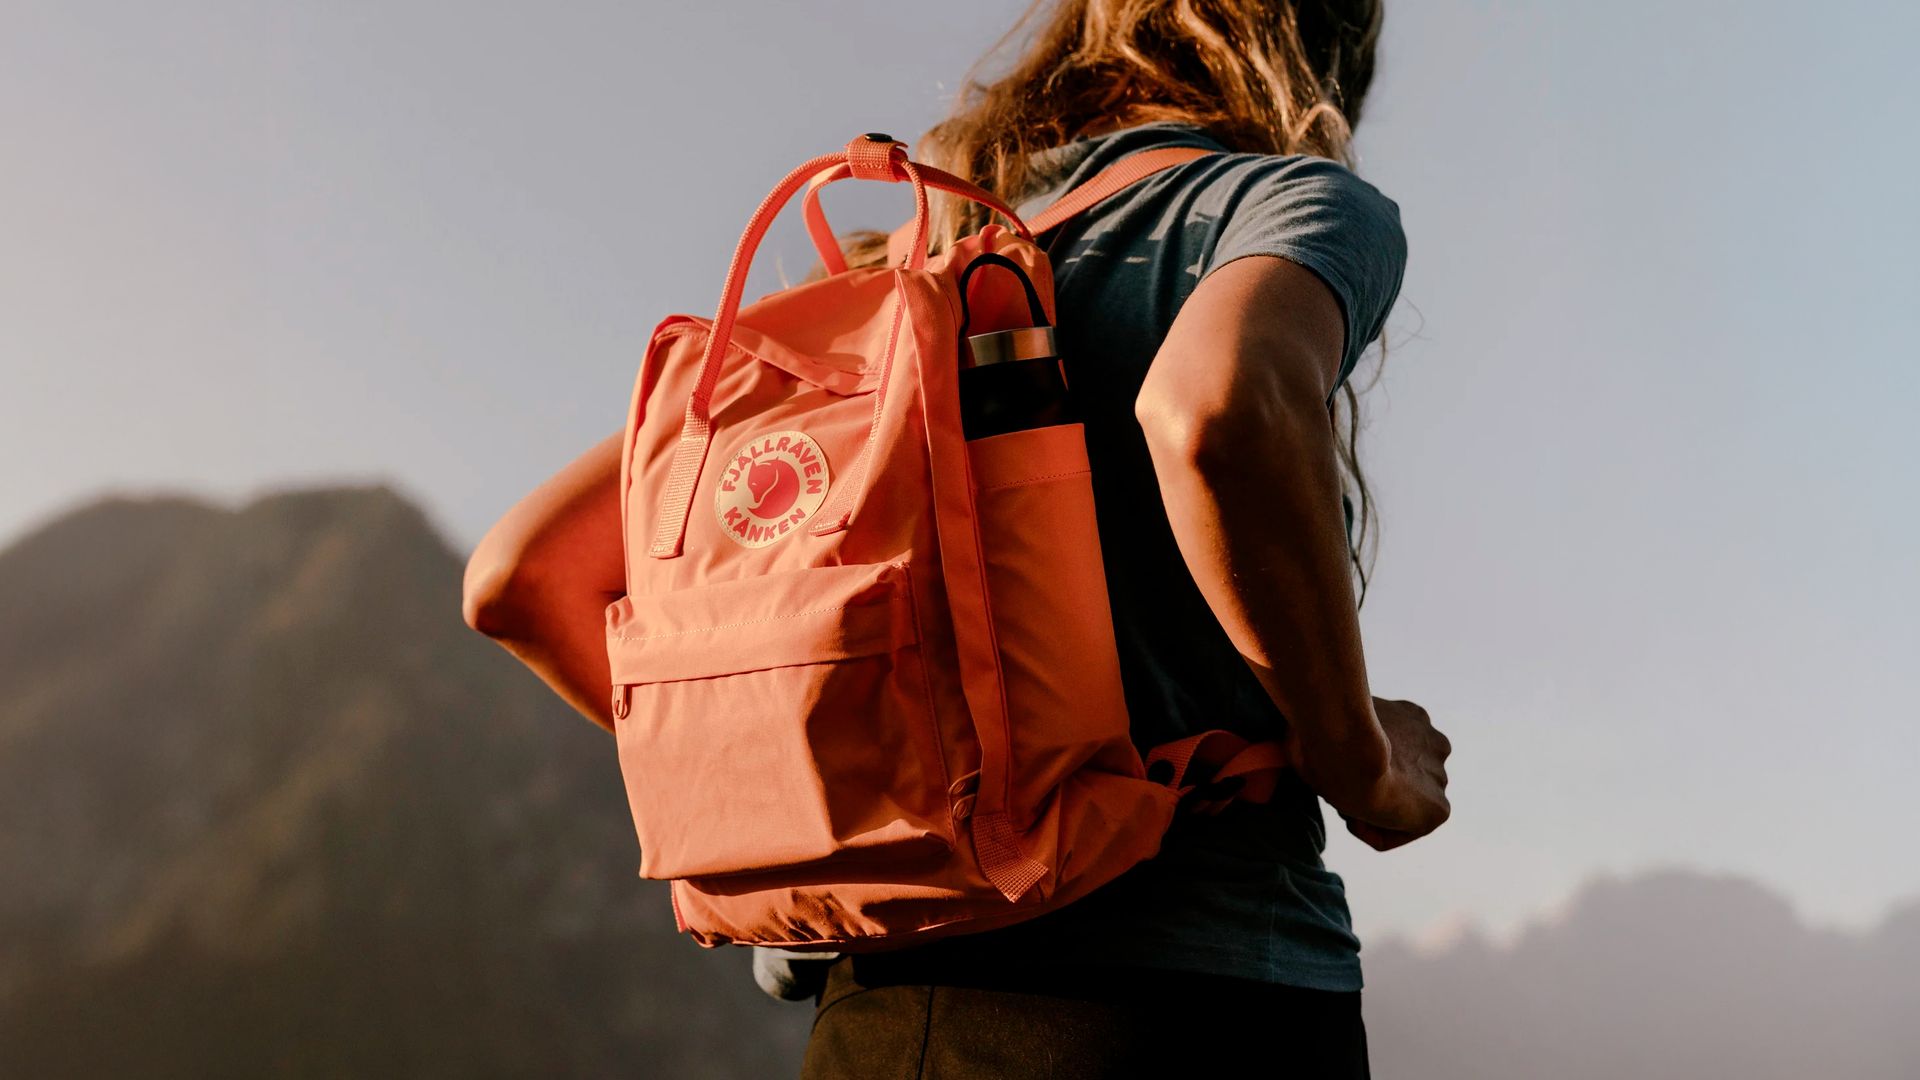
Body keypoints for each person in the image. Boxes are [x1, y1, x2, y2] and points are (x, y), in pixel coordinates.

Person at [463, 1, 1451, 1074]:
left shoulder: (879, 282)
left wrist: (816, 781)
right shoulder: (1282, 205)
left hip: (874, 1025)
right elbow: (1216, 410)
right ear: (1322, 58)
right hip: (1188, 1002)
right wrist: (1362, 761)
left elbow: (522, 578)